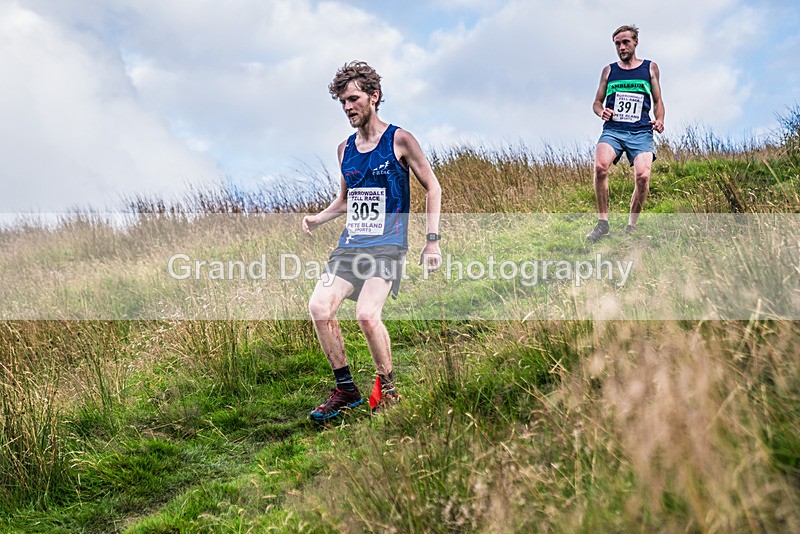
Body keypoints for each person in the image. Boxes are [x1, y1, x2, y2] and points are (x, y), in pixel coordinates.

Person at [302, 61, 443, 421]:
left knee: (366, 316)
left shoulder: (400, 140)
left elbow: (433, 186)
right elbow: (346, 200)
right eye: (342, 102)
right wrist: (319, 218)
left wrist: (432, 240)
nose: (347, 107)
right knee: (319, 308)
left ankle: (389, 388)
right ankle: (346, 390)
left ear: (374, 96)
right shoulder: (344, 149)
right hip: (351, 246)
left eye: (353, 99)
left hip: (387, 246)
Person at [586, 24, 665, 242]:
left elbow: (658, 101)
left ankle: (631, 226)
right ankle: (603, 224)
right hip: (614, 130)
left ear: (635, 42)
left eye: (625, 42)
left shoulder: (650, 68)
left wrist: (659, 120)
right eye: (617, 44)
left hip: (641, 132)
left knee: (643, 177)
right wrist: (602, 112)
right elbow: (596, 102)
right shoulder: (609, 71)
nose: (621, 47)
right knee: (600, 167)